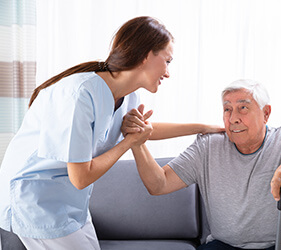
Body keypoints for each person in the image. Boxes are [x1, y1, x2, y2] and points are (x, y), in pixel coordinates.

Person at [0, 16, 222, 250]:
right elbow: (81, 177)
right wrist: (129, 143)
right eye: (167, 60)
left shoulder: (128, 95)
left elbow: (143, 131)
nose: (168, 72)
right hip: (34, 198)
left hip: (69, 203)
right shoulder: (80, 94)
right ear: (146, 55)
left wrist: (202, 128)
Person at [127, 79, 281, 250]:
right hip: (226, 245)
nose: (233, 119)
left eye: (243, 108)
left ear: (265, 113)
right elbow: (158, 184)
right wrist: (137, 144)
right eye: (227, 109)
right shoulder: (208, 146)